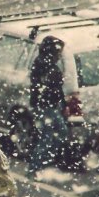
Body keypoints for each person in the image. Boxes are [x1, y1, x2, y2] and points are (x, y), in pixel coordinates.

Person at [28, 35, 67, 177]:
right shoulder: (44, 65)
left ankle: (42, 163)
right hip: (45, 106)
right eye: (58, 52)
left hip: (46, 105)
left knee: (52, 134)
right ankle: (36, 166)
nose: (60, 55)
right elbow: (51, 88)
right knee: (49, 135)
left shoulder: (44, 63)